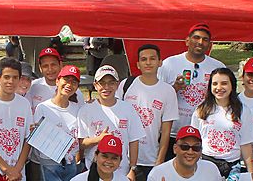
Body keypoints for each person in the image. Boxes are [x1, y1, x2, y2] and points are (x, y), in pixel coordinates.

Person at [158, 23, 225, 159]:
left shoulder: (217, 67)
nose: (200, 42)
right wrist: (174, 88)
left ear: (209, 44)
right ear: (187, 41)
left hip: (204, 134)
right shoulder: (169, 64)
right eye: (196, 38)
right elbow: (158, 98)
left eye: (205, 39)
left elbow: (226, 99)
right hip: (172, 133)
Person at [116, 44, 178, 180]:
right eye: (144, 59)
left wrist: (159, 162)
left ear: (160, 62)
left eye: (152, 59)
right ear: (138, 64)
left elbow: (166, 131)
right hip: (122, 159)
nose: (148, 63)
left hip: (150, 159)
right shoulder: (126, 85)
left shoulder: (168, 91)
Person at [78, 65, 145, 180]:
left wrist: (132, 168)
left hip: (121, 172)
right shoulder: (86, 110)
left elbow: (134, 141)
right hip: (93, 173)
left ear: (117, 84)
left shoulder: (128, 109)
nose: (106, 87)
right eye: (102, 83)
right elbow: (81, 143)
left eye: (111, 83)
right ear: (95, 85)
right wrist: (99, 139)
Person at [190, 68, 253, 178]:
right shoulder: (201, 111)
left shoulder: (243, 111)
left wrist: (250, 175)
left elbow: (246, 145)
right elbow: (193, 141)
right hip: (206, 165)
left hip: (232, 168)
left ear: (232, 86)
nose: (219, 88)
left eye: (224, 83)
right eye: (215, 84)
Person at [32, 65, 83, 181]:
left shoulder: (79, 109)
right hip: (50, 163)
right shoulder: (43, 108)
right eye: (66, 80)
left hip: (72, 163)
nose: (69, 84)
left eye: (74, 82)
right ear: (57, 81)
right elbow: (37, 139)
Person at [146, 126, 221, 181]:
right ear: (175, 149)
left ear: (201, 151)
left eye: (196, 147)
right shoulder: (157, 174)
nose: (190, 152)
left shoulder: (211, 169)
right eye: (185, 147)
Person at [28, 48, 84, 113]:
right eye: (45, 66)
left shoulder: (73, 91)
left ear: (60, 64)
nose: (50, 69)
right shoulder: (33, 86)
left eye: (53, 65)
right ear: (40, 68)